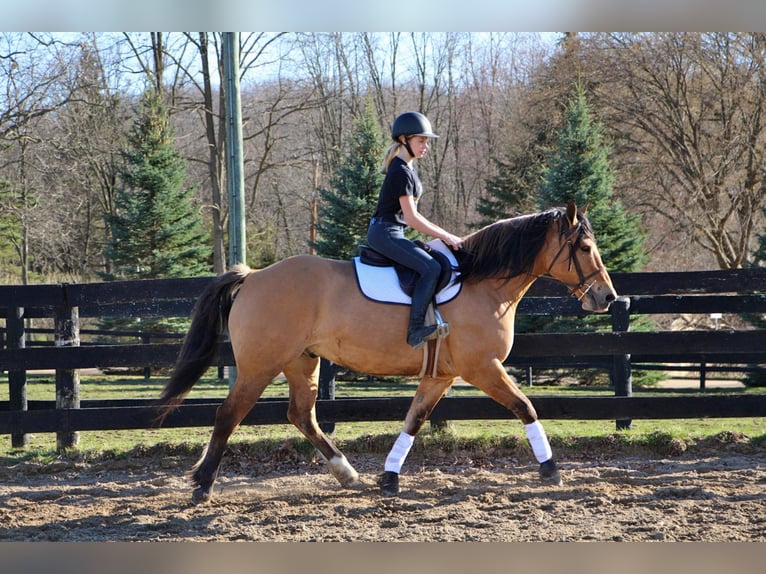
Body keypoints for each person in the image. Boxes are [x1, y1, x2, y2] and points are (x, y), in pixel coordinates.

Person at [367, 111, 463, 349]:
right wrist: (446, 235)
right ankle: (416, 330)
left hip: (393, 232)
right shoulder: (400, 171)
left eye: (427, 141)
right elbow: (411, 218)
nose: (426, 146)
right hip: (386, 233)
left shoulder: (407, 169)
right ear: (404, 140)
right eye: (421, 140)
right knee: (431, 268)